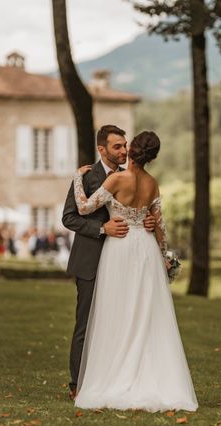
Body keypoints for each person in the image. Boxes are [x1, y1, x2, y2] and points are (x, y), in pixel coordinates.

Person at [71, 131, 197, 412]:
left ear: (132, 151)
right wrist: (164, 256)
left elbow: (83, 206)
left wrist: (77, 178)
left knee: (117, 311)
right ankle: (150, 375)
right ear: (152, 156)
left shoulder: (116, 179)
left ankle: (116, 374)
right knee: (146, 313)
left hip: (120, 247)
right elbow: (161, 228)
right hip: (146, 251)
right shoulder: (153, 184)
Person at [61, 125, 156, 401]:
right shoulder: (88, 176)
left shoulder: (134, 176)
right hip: (92, 260)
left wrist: (148, 221)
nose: (124, 150)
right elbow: (69, 218)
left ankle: (116, 377)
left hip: (125, 261)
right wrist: (103, 229)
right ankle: (77, 383)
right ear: (101, 149)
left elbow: (146, 210)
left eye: (125, 145)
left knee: (120, 321)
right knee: (86, 324)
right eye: (117, 146)